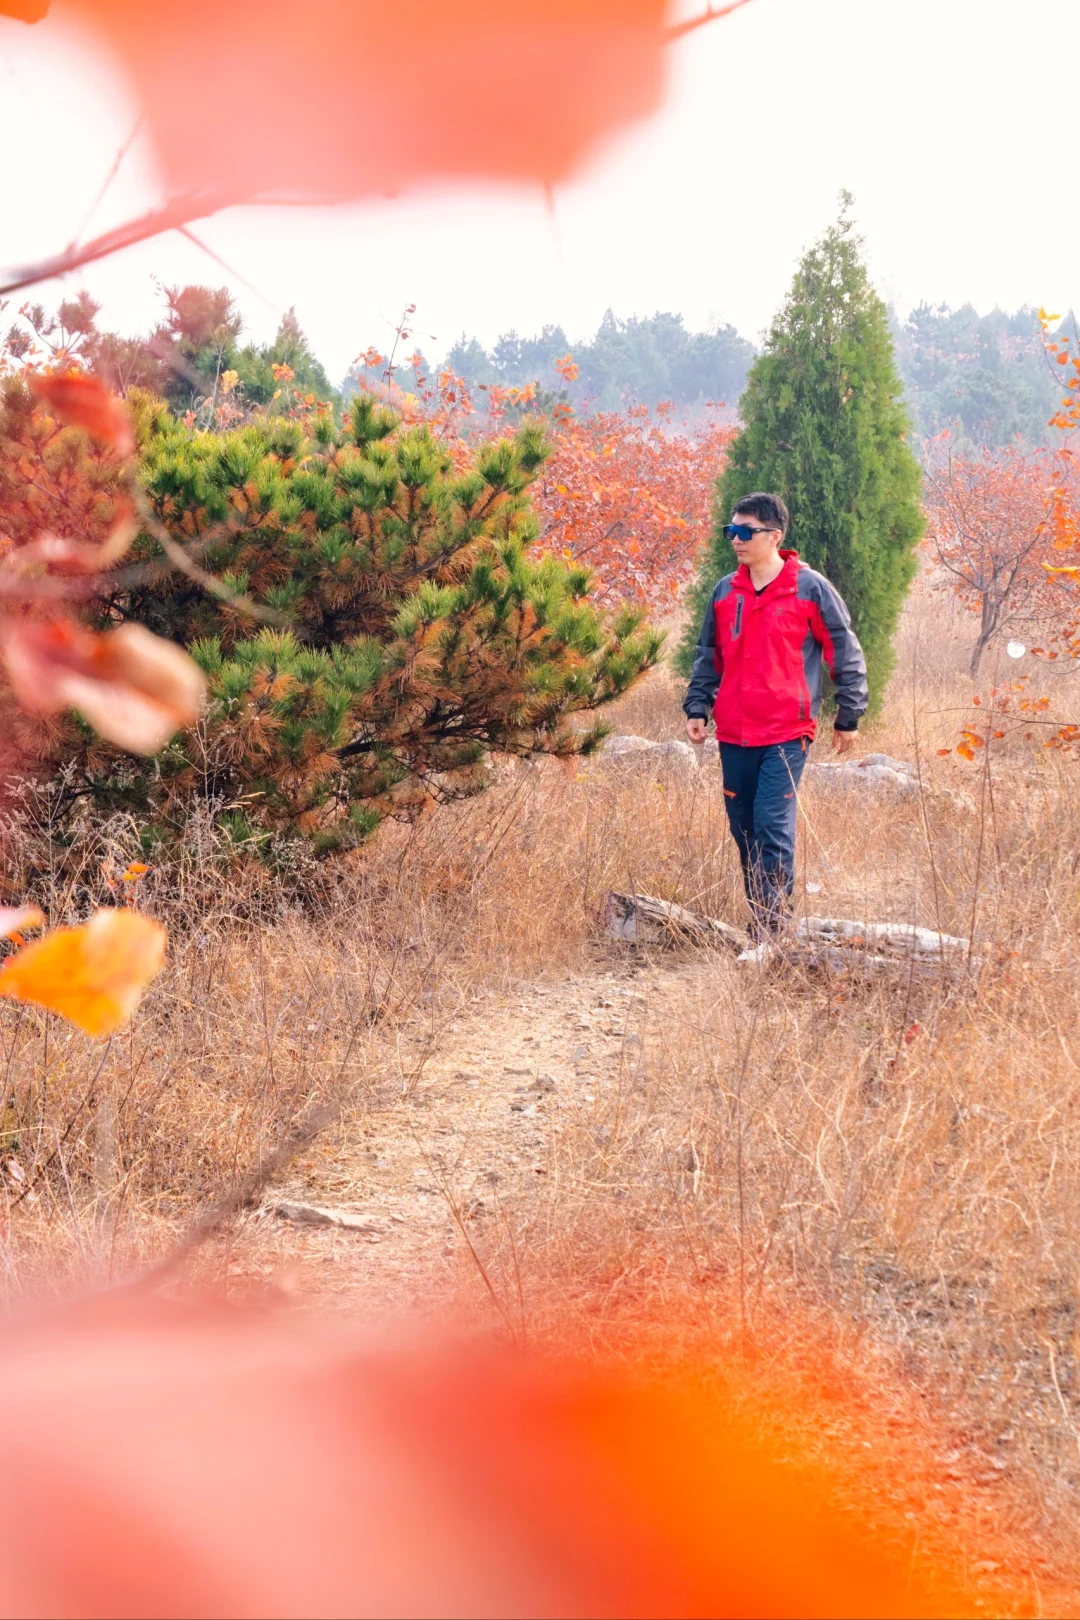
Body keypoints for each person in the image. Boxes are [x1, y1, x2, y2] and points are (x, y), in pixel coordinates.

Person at [684, 492, 868, 937]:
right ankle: (763, 918)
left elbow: (843, 647)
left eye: (746, 532)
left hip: (787, 731)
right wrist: (698, 706)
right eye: (731, 531)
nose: (736, 540)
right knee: (743, 829)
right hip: (734, 731)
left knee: (771, 823)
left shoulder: (810, 587)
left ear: (775, 536)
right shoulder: (726, 590)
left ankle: (772, 929)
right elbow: (709, 652)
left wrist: (849, 713)